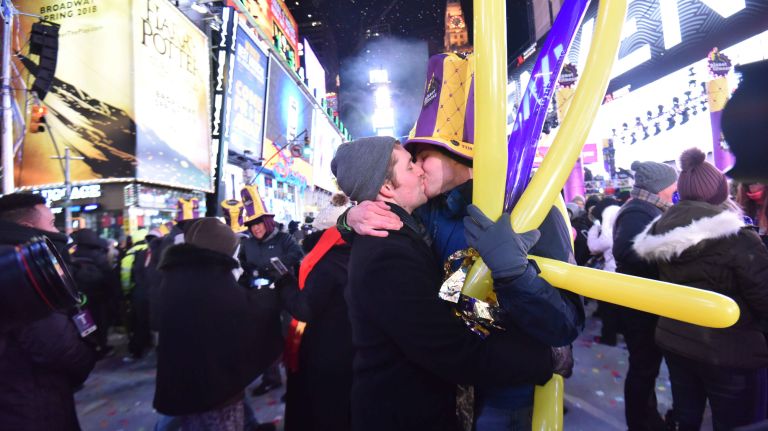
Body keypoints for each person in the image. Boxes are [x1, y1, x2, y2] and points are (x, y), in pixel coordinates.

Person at [340, 52, 583, 430]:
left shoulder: (529, 204)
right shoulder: (426, 210)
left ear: (459, 151)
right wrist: (350, 216)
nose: (418, 169)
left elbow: (564, 325)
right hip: (450, 393)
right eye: (411, 161)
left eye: (421, 156)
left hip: (507, 394)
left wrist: (516, 275)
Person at [633, 148, 768, 430]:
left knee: (687, 417)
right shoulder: (738, 238)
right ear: (720, 192)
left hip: (676, 341)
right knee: (736, 421)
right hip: (731, 349)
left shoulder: (659, 231)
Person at [153, 217, 283, 430]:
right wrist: (272, 296)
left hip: (187, 375)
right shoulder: (210, 277)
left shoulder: (178, 272)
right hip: (211, 385)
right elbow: (244, 314)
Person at [0, 193, 96, 431]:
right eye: (52, 223)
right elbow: (57, 346)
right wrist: (87, 356)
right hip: (30, 404)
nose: (58, 232)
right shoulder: (24, 272)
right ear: (27, 228)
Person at [612, 160, 678, 431]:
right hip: (638, 303)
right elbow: (625, 251)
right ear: (660, 186)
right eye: (672, 183)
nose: (675, 188)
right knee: (643, 366)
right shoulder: (638, 211)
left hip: (643, 299)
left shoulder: (646, 208)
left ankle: (646, 418)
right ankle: (641, 422)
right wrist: (667, 252)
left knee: (646, 365)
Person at [279, 194, 353, 431]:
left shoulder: (325, 262)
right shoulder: (358, 255)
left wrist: (285, 284)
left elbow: (305, 308)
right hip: (352, 348)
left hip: (325, 351)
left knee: (322, 409)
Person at [238, 187, 304, 396]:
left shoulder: (284, 239)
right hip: (259, 298)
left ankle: (297, 382)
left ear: (267, 222)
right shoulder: (247, 244)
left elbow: (297, 254)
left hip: (285, 297)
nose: (256, 228)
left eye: (258, 223)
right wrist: (248, 272)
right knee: (265, 340)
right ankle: (271, 378)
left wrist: (276, 266)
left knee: (290, 339)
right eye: (252, 225)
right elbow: (241, 263)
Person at [70, 228, 118, 358]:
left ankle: (89, 347)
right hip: (99, 296)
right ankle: (102, 346)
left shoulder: (73, 255)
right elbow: (109, 277)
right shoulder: (99, 255)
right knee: (101, 322)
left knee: (85, 323)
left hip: (81, 297)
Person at [586, 197, 622, 346]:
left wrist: (594, 228)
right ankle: (618, 331)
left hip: (611, 275)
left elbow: (594, 247)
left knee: (608, 309)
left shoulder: (608, 230)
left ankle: (608, 338)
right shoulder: (622, 224)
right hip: (623, 274)